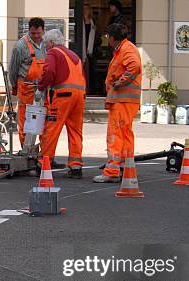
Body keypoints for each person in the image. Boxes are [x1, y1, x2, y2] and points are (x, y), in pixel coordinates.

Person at [93, 23, 142, 183]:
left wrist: (117, 83)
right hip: (126, 101)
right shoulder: (124, 49)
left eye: (108, 37)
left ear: (113, 37)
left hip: (122, 100)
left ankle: (112, 170)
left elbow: (133, 67)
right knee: (125, 134)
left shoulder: (126, 49)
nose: (108, 40)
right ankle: (125, 167)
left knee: (115, 134)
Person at [38, 29, 86, 178]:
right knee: (75, 131)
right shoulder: (74, 55)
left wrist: (40, 87)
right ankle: (76, 166)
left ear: (51, 43)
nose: (45, 47)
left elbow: (49, 72)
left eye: (46, 44)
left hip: (62, 96)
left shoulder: (53, 53)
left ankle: (44, 163)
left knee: (52, 129)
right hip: (80, 96)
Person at [8, 17, 46, 147]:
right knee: (25, 121)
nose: (36, 36)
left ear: (43, 31)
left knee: (44, 120)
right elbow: (13, 69)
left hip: (43, 88)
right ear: (29, 30)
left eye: (38, 33)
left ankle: (43, 151)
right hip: (26, 87)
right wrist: (14, 86)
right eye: (33, 33)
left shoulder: (46, 44)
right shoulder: (20, 46)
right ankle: (25, 150)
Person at [82, 3, 98, 94]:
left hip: (92, 50)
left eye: (87, 9)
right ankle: (85, 89)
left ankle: (92, 90)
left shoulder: (93, 21)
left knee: (92, 71)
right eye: (83, 9)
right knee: (84, 70)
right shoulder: (80, 21)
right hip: (82, 49)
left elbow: (98, 36)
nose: (85, 10)